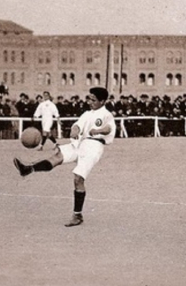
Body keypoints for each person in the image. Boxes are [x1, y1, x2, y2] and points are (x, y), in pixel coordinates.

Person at [13, 87, 116, 227]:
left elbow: (109, 128)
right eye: (89, 99)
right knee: (58, 156)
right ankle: (28, 169)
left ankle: (77, 215)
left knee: (78, 178)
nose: (90, 102)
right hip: (80, 143)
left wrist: (98, 130)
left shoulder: (106, 114)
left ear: (102, 101)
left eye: (93, 100)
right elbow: (78, 125)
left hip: (94, 147)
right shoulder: (87, 113)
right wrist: (75, 130)